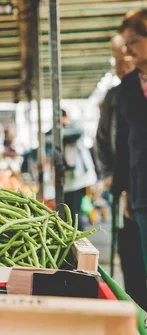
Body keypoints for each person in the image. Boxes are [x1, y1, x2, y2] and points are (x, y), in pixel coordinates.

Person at [96, 34, 146, 310]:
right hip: (125, 187)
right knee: (130, 254)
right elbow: (103, 139)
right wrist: (110, 175)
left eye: (124, 57)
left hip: (139, 183)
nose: (119, 66)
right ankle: (135, 310)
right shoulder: (116, 94)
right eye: (115, 60)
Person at [117, 9, 147, 287]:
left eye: (134, 41)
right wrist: (125, 187)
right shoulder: (127, 87)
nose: (127, 50)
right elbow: (126, 142)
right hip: (142, 190)